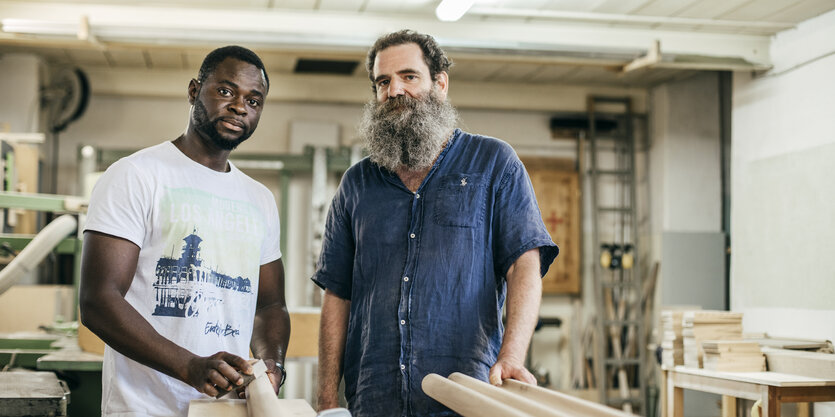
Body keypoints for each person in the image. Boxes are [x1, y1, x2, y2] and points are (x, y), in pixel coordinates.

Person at [313, 30, 559, 416]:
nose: (394, 90)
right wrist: (326, 401)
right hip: (374, 400)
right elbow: (336, 295)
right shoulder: (357, 184)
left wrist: (512, 356)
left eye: (409, 76)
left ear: (440, 83)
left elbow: (524, 264)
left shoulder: (494, 163)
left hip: (465, 398)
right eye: (383, 81)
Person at [80, 45, 290, 417]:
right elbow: (99, 300)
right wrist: (189, 366)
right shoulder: (136, 175)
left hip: (224, 410)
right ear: (194, 91)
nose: (240, 107)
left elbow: (270, 305)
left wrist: (271, 365)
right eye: (226, 91)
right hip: (144, 407)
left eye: (253, 100)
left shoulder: (260, 199)